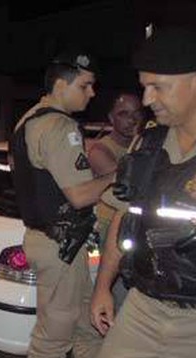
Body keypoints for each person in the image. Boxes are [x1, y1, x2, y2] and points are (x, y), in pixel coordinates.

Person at [82, 25, 196, 358]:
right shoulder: (148, 142)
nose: (148, 98)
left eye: (158, 86)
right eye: (144, 85)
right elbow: (125, 217)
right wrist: (102, 288)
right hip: (143, 307)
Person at [9, 52, 115, 358]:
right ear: (60, 85)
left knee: (85, 319)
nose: (92, 93)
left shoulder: (28, 119)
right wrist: (120, 175)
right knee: (57, 327)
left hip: (63, 241)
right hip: (61, 245)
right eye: (85, 85)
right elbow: (81, 195)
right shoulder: (58, 126)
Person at [88, 93, 145, 309]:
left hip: (134, 229)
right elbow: (128, 182)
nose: (132, 119)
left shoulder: (144, 146)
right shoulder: (100, 150)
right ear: (111, 118)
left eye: (136, 113)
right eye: (124, 114)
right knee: (111, 291)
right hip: (107, 231)